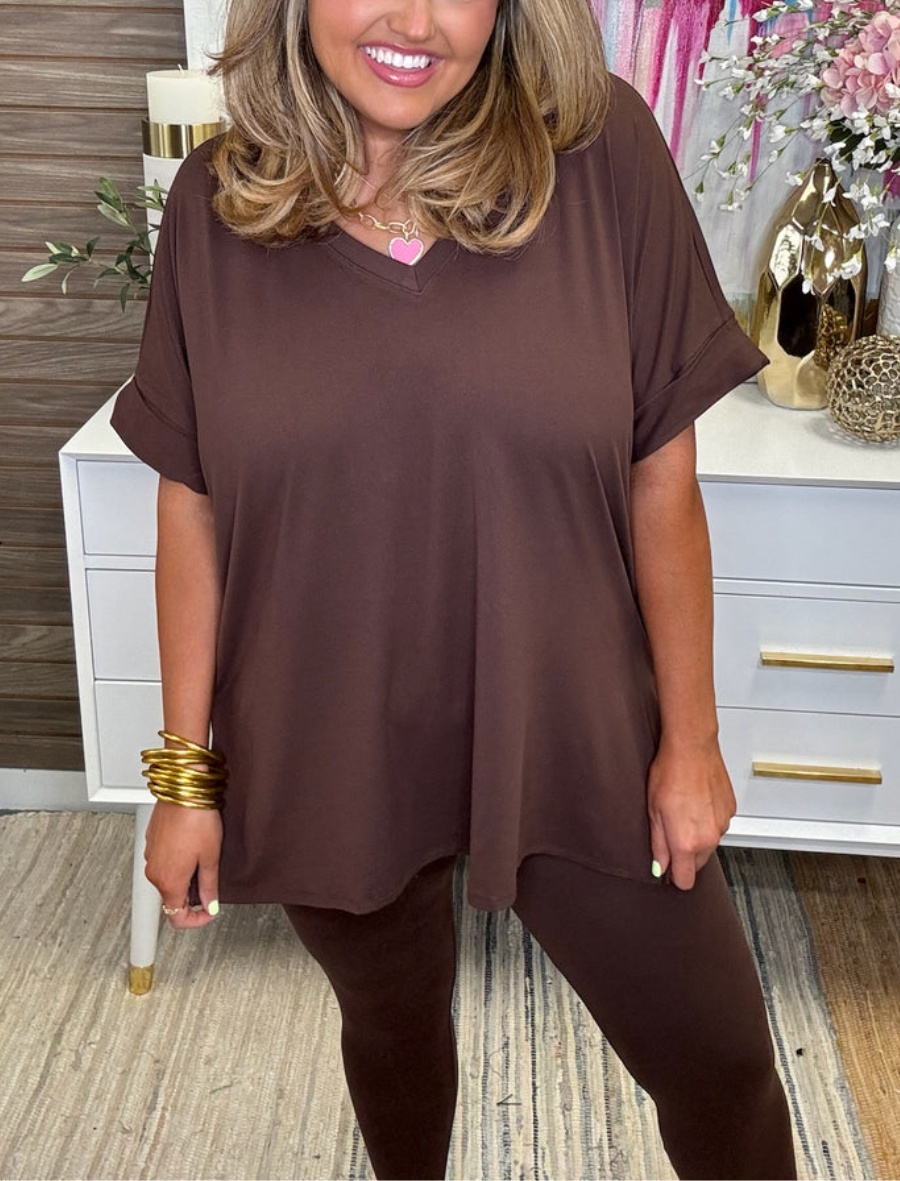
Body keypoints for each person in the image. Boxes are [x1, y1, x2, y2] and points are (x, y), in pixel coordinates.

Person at [111, 1, 797, 1177]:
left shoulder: (600, 154)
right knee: (393, 1031)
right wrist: (187, 781)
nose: (414, 21)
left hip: (574, 724)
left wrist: (691, 744)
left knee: (720, 1058)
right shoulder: (215, 204)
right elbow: (194, 506)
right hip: (325, 738)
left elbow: (661, 481)